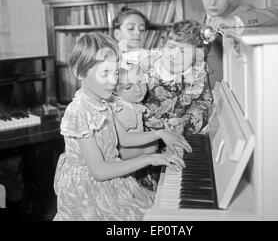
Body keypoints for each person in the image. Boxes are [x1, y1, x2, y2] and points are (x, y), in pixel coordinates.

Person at [53, 32, 191, 221]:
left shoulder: (105, 101)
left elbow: (124, 139)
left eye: (116, 72)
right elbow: (99, 171)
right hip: (88, 190)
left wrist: (161, 133)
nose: (113, 80)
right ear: (80, 72)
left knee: (153, 212)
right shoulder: (78, 112)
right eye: (105, 73)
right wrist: (149, 158)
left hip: (111, 176)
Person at [197, 0, 278, 86]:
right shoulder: (199, 21)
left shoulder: (241, 12)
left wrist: (234, 21)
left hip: (230, 91)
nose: (212, 2)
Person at [143, 20, 213, 136]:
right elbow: (129, 106)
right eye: (171, 47)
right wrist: (158, 125)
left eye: (184, 51)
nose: (174, 55)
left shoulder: (198, 71)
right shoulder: (146, 67)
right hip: (145, 137)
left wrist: (184, 122)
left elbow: (203, 103)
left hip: (178, 135)